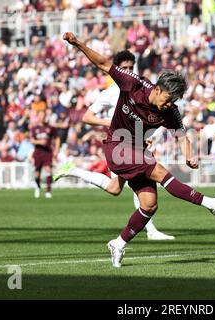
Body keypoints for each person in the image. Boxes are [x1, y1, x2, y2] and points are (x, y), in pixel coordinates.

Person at [62, 32, 215, 268]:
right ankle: (210, 204)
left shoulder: (170, 111)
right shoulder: (132, 83)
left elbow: (182, 135)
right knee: (158, 170)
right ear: (157, 89)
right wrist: (78, 44)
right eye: (167, 99)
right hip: (117, 146)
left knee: (149, 204)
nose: (168, 105)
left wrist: (188, 154)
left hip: (136, 149)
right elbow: (103, 63)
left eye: (173, 101)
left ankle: (118, 244)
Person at [54, 50, 176, 241]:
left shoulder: (139, 88)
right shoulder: (111, 93)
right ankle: (150, 231)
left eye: (130, 67)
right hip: (118, 145)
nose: (127, 70)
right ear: (117, 69)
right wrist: (112, 124)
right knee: (129, 185)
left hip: (135, 144)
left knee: (117, 188)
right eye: (124, 68)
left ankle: (72, 171)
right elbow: (87, 117)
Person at [30, 111, 60, 199]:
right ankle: (38, 187)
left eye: (44, 115)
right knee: (37, 173)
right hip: (38, 151)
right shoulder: (34, 128)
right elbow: (31, 140)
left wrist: (56, 150)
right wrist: (39, 142)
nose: (42, 117)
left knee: (48, 170)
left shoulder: (50, 127)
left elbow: (57, 138)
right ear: (38, 117)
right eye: (41, 115)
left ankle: (48, 191)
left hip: (47, 152)